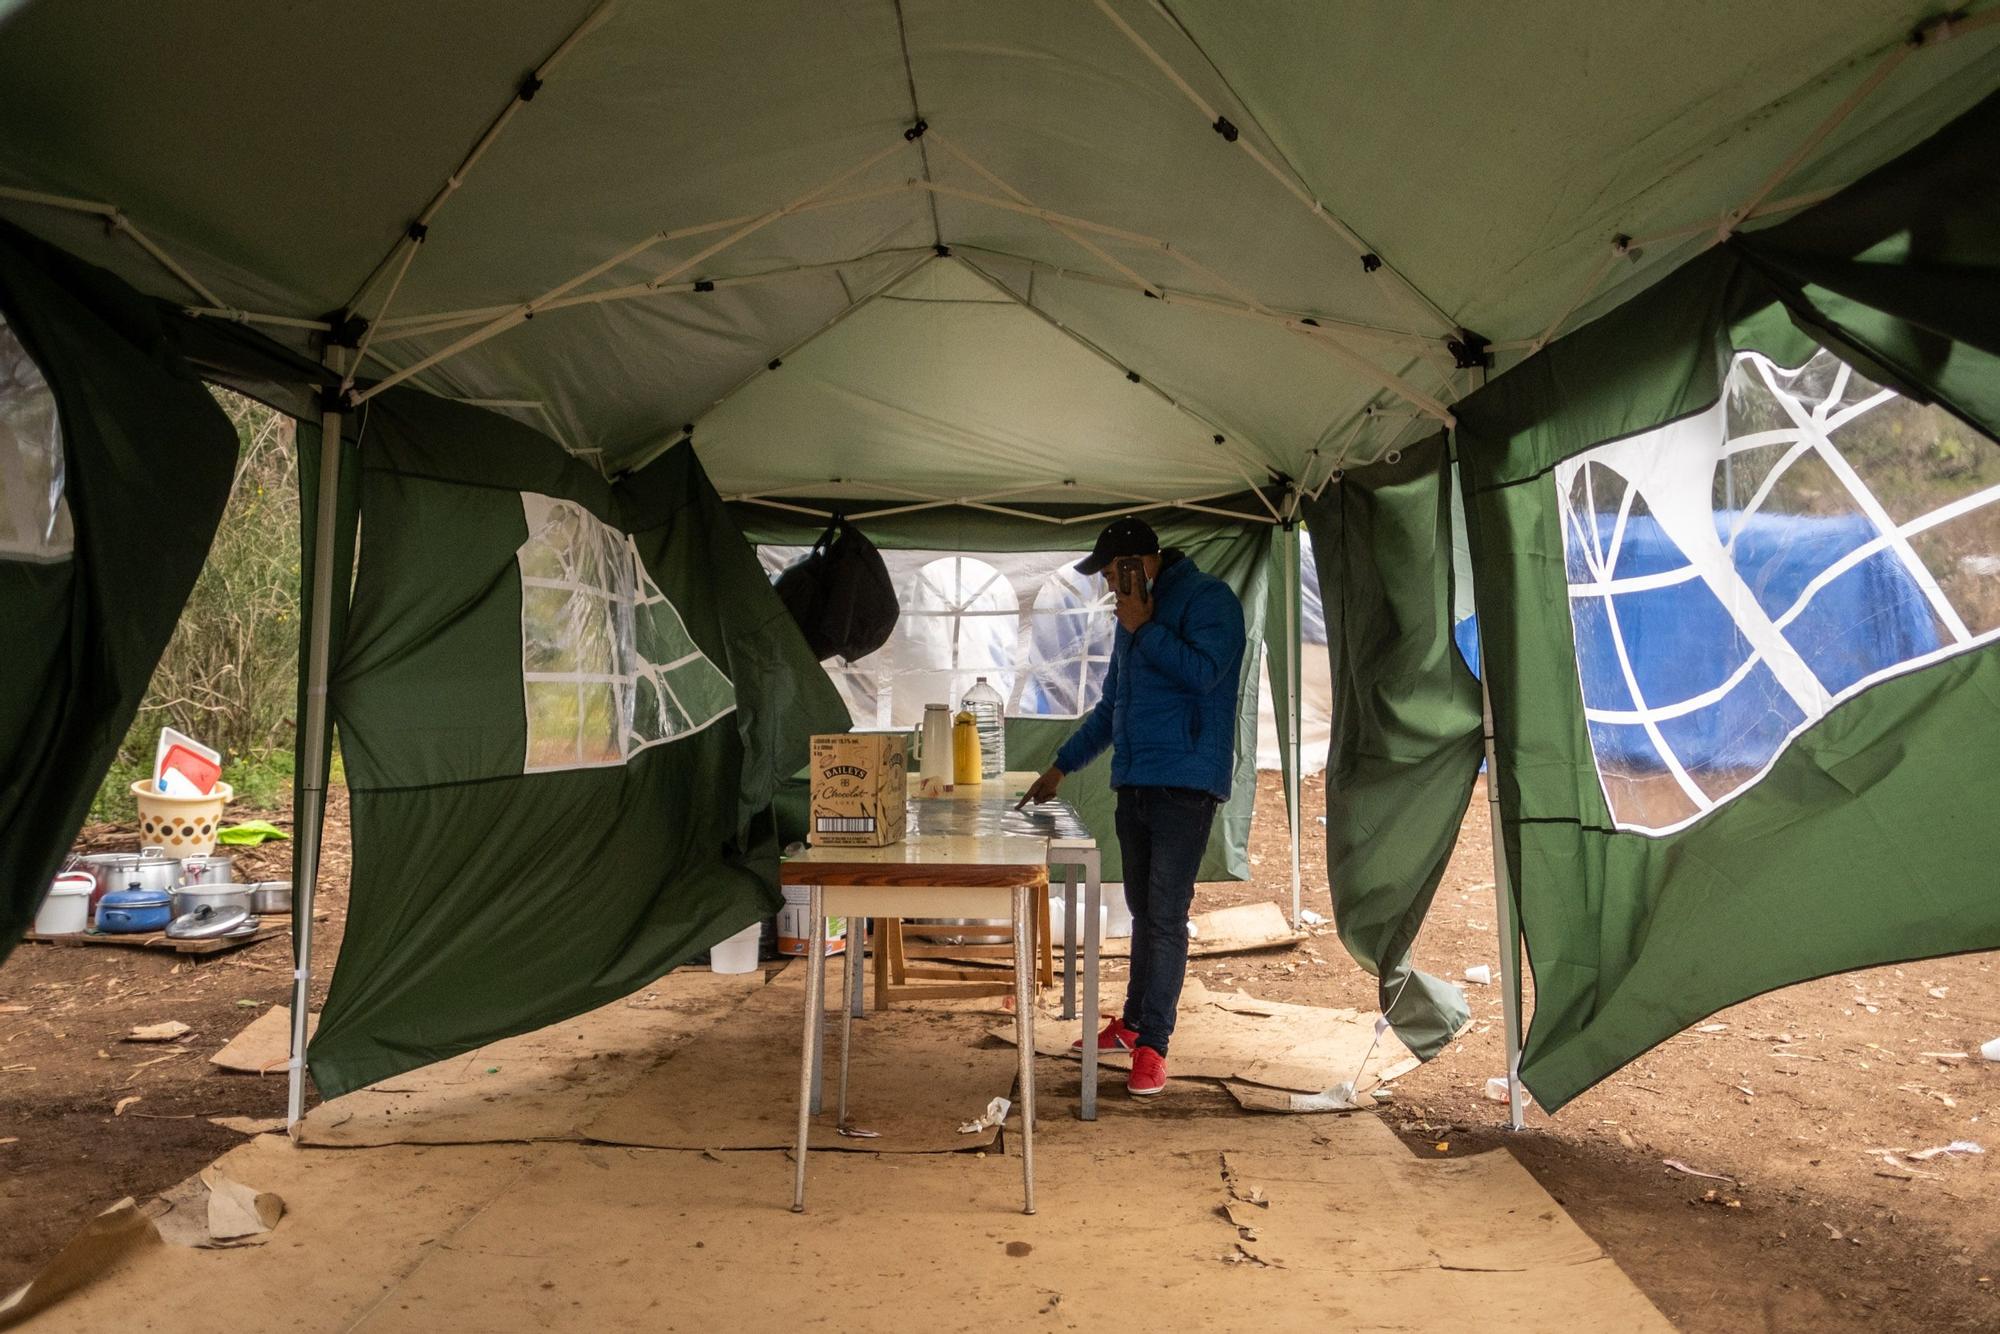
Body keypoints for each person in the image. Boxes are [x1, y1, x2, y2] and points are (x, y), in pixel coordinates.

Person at [1020, 516, 1245, 1097]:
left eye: (1113, 574)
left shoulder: (1209, 600)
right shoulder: (1130, 619)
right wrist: (1061, 766)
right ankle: (1134, 1023)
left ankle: (1154, 1048)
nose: (1107, 588)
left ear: (1143, 562)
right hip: (1136, 781)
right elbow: (1111, 704)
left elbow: (1206, 675)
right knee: (1145, 910)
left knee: (1166, 915)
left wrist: (1146, 627)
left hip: (1188, 782)